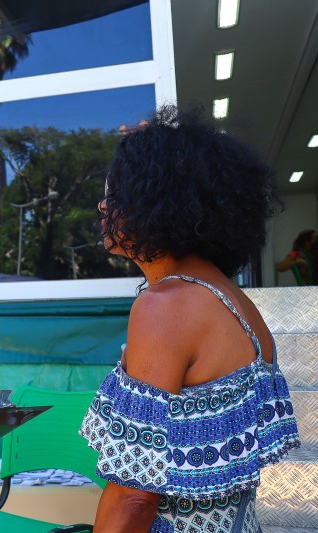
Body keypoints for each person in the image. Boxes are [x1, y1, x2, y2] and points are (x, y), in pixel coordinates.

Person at [79, 106, 301, 532]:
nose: (103, 204)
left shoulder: (168, 305)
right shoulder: (233, 300)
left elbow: (134, 494)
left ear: (158, 201)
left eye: (118, 192)